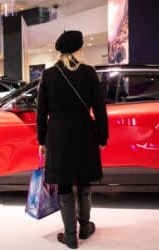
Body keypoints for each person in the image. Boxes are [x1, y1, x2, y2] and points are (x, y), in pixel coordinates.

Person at [36, 30, 108, 249]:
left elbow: (41, 113)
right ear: (78, 49)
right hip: (84, 132)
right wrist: (102, 136)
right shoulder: (88, 72)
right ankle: (85, 227)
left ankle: (70, 236)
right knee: (84, 179)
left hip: (57, 134)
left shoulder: (48, 75)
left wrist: (42, 141)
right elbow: (99, 108)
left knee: (64, 183)